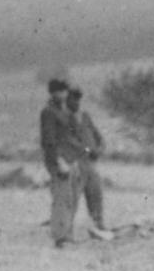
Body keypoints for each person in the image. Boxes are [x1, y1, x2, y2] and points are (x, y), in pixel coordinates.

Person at [39, 78, 89, 247]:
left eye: (64, 91)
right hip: (61, 160)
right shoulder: (48, 112)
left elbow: (75, 135)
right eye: (58, 91)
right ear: (52, 93)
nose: (62, 94)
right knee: (61, 198)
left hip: (72, 159)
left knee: (73, 198)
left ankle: (68, 234)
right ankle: (60, 237)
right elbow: (49, 140)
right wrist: (58, 161)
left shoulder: (66, 112)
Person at [65, 84, 109, 234]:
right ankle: (65, 229)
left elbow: (98, 136)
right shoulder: (64, 119)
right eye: (72, 99)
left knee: (95, 192)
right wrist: (87, 150)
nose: (76, 102)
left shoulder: (85, 116)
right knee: (73, 197)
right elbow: (68, 140)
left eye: (78, 99)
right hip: (76, 163)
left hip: (91, 163)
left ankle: (98, 224)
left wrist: (100, 148)